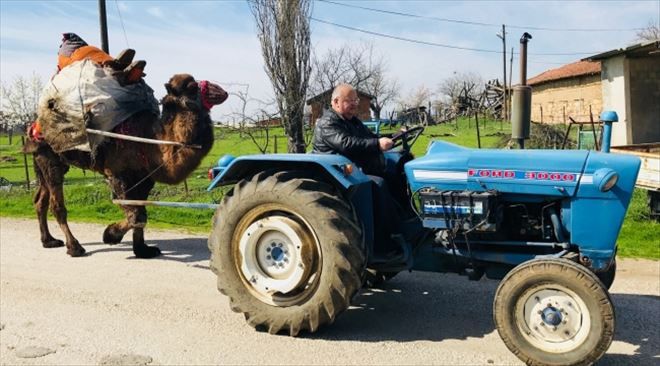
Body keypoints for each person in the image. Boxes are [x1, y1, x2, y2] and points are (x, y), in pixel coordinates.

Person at [312, 83, 407, 256]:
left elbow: (369, 138)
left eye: (356, 100)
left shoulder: (353, 121)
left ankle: (407, 223)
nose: (355, 104)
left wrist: (394, 136)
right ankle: (384, 242)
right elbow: (346, 144)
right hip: (338, 172)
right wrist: (377, 144)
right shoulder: (327, 123)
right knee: (378, 184)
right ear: (336, 102)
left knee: (397, 172)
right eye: (350, 101)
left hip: (356, 166)